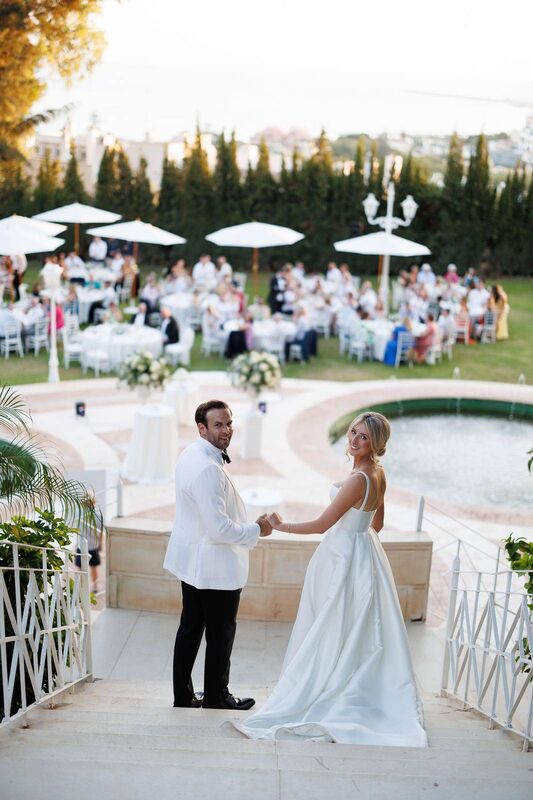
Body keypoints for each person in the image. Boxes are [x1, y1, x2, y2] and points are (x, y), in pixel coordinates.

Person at [232, 412, 427, 747]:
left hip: (341, 558)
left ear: (375, 443)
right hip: (364, 553)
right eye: (353, 432)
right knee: (353, 627)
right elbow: (376, 524)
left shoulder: (356, 480)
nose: (354, 440)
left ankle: (327, 689)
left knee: (330, 624)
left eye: (363, 437)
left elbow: (322, 525)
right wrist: (355, 534)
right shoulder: (378, 474)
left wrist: (281, 526)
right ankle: (353, 684)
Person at [163, 400, 273, 710]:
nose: (226, 430)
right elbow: (219, 529)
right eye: (218, 425)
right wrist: (257, 529)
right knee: (220, 635)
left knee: (190, 630)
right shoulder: (208, 468)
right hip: (214, 566)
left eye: (228, 423)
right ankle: (216, 696)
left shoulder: (190, 454)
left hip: (193, 563)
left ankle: (183, 696)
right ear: (202, 428)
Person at [75, 492, 104, 594]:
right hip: (93, 545)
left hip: (81, 545)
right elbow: (100, 532)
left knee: (80, 568)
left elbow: (75, 527)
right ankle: (95, 586)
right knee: (94, 567)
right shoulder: (98, 514)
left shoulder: (79, 512)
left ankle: (81, 587)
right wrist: (100, 544)